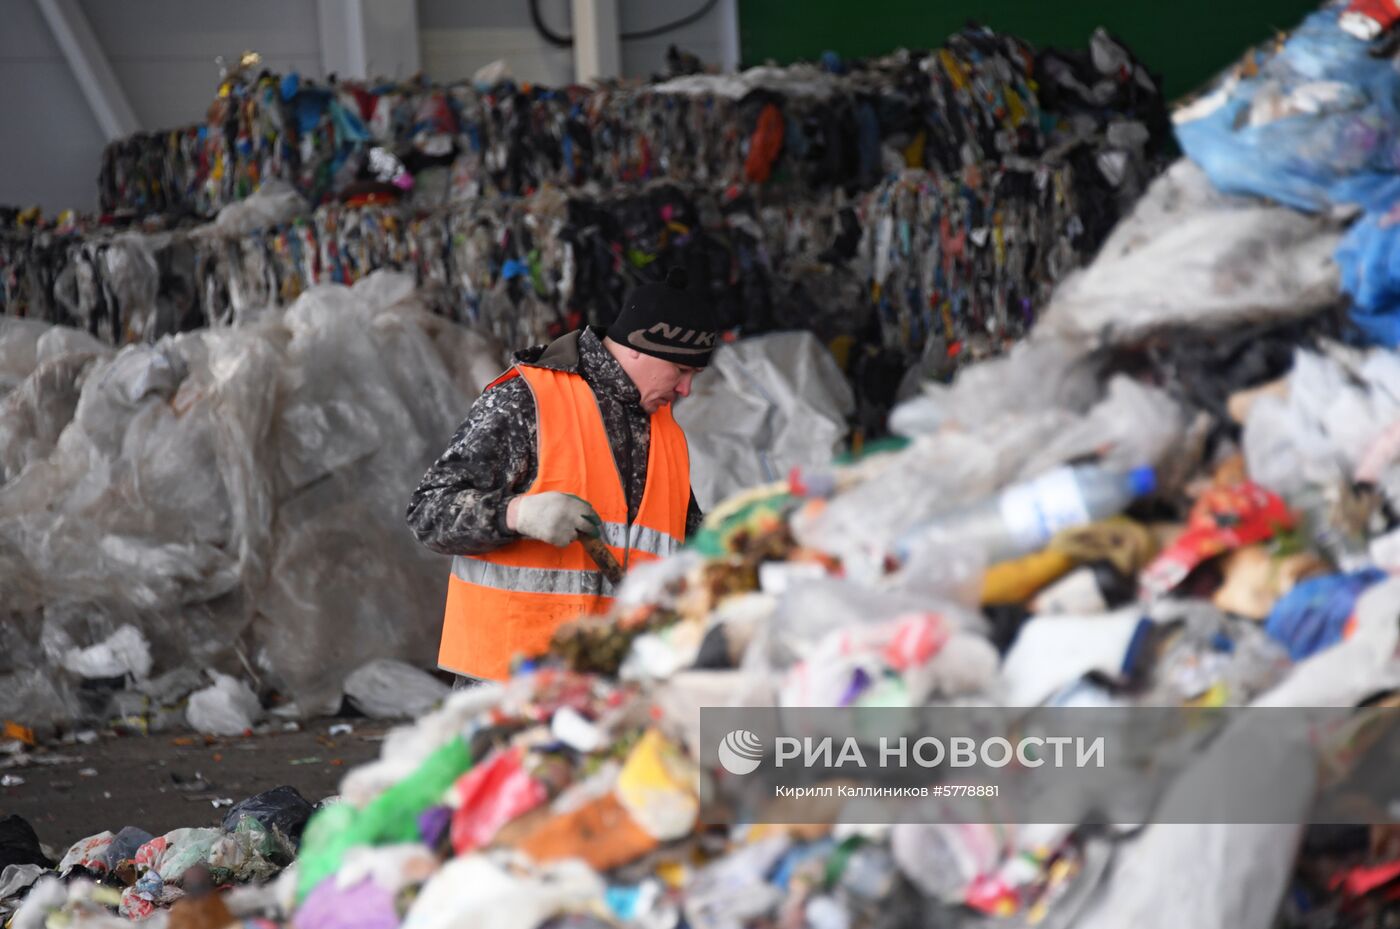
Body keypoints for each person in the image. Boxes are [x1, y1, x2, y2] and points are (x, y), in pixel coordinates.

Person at [406, 269, 716, 684]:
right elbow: (428, 513)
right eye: (680, 370)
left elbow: (686, 541)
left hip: (613, 683)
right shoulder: (528, 399)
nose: (686, 390)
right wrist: (517, 514)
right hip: (513, 684)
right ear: (638, 348)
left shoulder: (666, 432)